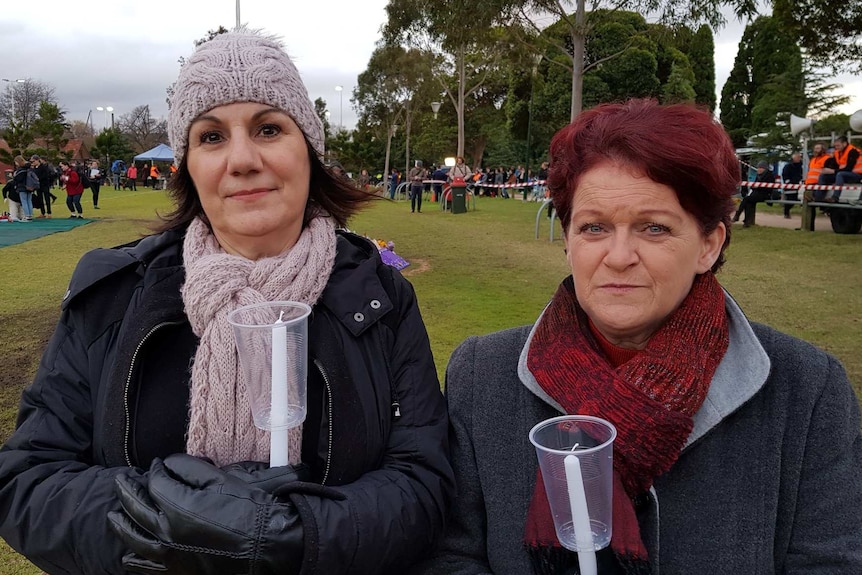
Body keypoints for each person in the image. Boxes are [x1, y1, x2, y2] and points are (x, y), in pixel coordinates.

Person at [0, 28, 453, 575]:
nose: (241, 159)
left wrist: (296, 538)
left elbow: (423, 483)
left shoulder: (381, 298)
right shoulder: (114, 295)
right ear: (188, 164)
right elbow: (28, 478)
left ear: (308, 149)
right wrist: (167, 525)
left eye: (268, 128)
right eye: (211, 137)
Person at [414, 99, 862, 574]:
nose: (619, 255)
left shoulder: (807, 390)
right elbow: (451, 554)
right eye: (594, 227)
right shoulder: (482, 375)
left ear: (709, 244)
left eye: (654, 227)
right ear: (566, 238)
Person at [732, 160, 774, 227]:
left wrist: (758, 187)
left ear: (765, 168)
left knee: (746, 199)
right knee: (748, 202)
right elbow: (753, 185)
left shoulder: (769, 176)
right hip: (756, 194)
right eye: (758, 168)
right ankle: (746, 222)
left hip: (764, 195)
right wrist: (755, 187)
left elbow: (768, 189)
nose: (759, 169)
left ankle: (738, 215)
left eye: (761, 168)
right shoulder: (758, 175)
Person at [824, 136, 862, 202]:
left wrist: (833, 171)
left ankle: (835, 197)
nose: (836, 148)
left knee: (840, 174)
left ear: (844, 144)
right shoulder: (837, 152)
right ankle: (818, 198)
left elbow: (848, 168)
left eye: (838, 145)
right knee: (823, 176)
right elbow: (835, 165)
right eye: (835, 146)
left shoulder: (853, 151)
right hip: (845, 174)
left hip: (857, 175)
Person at [12, 155, 37, 221]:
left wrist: (13, 177)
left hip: (22, 187)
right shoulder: (29, 168)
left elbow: (18, 179)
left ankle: (27, 216)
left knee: (24, 201)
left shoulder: (21, 169)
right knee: (29, 201)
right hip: (30, 186)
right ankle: (30, 215)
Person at [780, 152, 803, 219]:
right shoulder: (788, 166)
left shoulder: (800, 166)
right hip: (790, 186)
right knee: (790, 199)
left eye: (799, 157)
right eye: (797, 157)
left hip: (798, 185)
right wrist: (788, 182)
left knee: (796, 199)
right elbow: (784, 175)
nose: (799, 159)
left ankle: (787, 212)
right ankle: (786, 212)